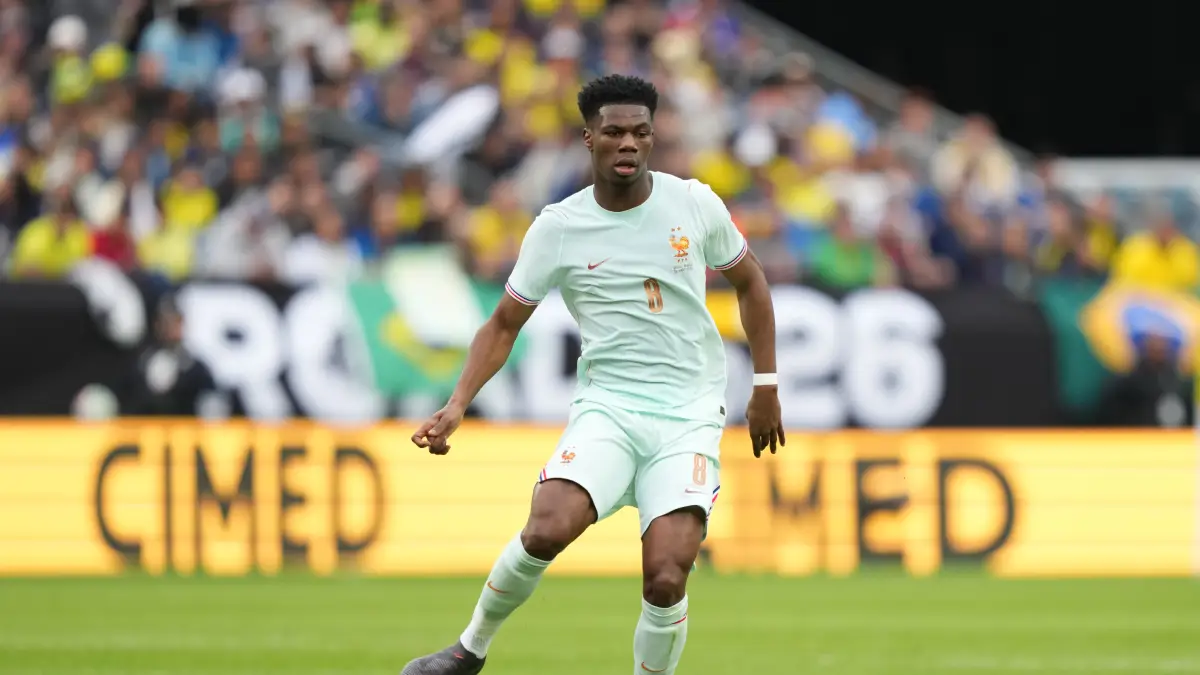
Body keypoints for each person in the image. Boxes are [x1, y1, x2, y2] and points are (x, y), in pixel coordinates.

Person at [402, 75, 784, 675]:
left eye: (640, 132)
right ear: (589, 138)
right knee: (545, 529)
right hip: (608, 408)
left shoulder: (694, 204)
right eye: (614, 132)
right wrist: (457, 402)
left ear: (653, 138)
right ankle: (466, 651)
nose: (628, 142)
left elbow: (751, 283)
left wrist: (766, 386)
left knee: (665, 576)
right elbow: (503, 324)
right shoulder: (558, 227)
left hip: (688, 414)